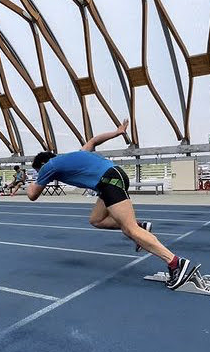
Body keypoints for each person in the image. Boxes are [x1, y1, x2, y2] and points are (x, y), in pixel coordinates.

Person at [27, 119, 196, 290]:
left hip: (109, 181)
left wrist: (29, 182)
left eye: (39, 171)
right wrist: (117, 132)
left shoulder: (49, 166)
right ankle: (141, 226)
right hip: (111, 178)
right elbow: (93, 141)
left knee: (130, 229)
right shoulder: (73, 156)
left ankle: (175, 262)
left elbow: (32, 195)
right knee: (96, 220)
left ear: (42, 165)